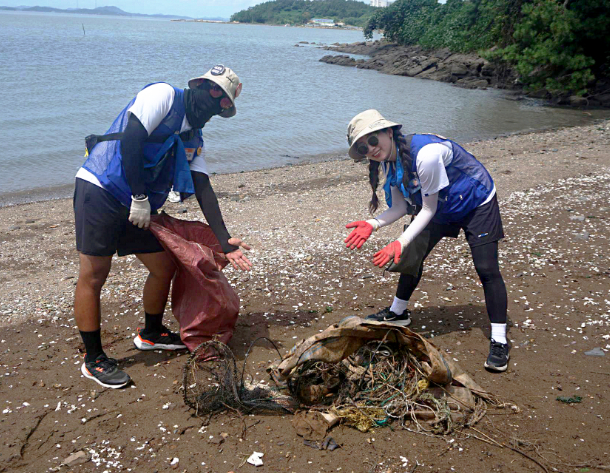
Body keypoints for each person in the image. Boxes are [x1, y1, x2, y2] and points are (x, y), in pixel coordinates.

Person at [73, 65, 252, 389]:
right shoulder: (163, 96)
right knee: (95, 274)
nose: (212, 112)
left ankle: (151, 333)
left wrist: (225, 242)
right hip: (101, 187)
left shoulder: (193, 136)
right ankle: (94, 359)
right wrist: (140, 197)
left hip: (136, 204)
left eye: (220, 109)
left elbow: (203, 187)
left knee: (163, 265)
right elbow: (132, 138)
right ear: (202, 89)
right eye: (214, 101)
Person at [344, 109, 509, 372]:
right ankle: (399, 313)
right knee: (411, 255)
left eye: (373, 141)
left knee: (486, 269)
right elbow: (399, 207)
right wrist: (372, 224)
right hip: (438, 206)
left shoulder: (427, 156)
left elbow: (428, 210)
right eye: (364, 147)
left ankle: (499, 339)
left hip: (476, 201)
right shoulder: (390, 162)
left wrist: (399, 240)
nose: (371, 150)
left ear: (389, 131)